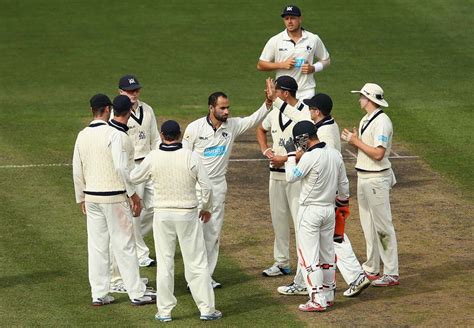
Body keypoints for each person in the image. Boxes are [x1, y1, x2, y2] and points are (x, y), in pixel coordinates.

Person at [266, 81, 371, 297]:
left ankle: (356, 277)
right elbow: (298, 118)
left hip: (322, 192)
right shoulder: (321, 125)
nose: (309, 111)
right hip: (328, 192)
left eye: (311, 108)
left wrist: (286, 158)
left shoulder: (326, 133)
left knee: (334, 239)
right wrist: (276, 101)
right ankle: (303, 281)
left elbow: (319, 159)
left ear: (318, 111)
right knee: (324, 240)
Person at [130, 120, 222, 322]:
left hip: (163, 215)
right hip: (187, 214)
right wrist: (205, 208)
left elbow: (134, 177)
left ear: (162, 135)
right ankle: (206, 309)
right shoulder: (191, 156)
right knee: (196, 263)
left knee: (165, 263)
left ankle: (164, 312)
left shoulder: (153, 157)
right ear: (179, 135)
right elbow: (206, 188)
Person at [72, 93, 156, 306]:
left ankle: (99, 293)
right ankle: (136, 293)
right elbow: (120, 167)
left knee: (97, 246)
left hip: (92, 198)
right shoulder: (115, 134)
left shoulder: (82, 134)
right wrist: (132, 194)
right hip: (114, 197)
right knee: (125, 245)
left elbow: (76, 168)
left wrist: (81, 196)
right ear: (108, 109)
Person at [182, 89, 271, 287]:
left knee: (212, 233)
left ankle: (205, 277)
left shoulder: (232, 126)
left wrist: (268, 101)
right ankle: (193, 277)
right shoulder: (194, 128)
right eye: (222, 108)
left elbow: (253, 118)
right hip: (196, 187)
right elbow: (184, 158)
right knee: (194, 234)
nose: (226, 111)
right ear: (211, 108)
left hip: (218, 186)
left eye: (228, 108)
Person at [285, 120, 350, 311]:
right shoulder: (335, 154)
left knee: (308, 256)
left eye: (299, 141)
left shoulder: (309, 157)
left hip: (310, 211)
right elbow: (344, 184)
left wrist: (290, 155)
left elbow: (291, 177)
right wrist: (343, 205)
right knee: (327, 253)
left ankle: (317, 300)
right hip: (329, 210)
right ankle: (328, 294)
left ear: (304, 138)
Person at [341, 83, 399, 287]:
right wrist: (354, 140)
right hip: (364, 177)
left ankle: (391, 272)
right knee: (368, 225)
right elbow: (367, 152)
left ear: (370, 99)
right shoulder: (366, 119)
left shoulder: (382, 122)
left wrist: (355, 142)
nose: (359, 99)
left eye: (362, 97)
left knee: (383, 226)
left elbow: (378, 153)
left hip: (376, 179)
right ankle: (372, 266)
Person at [256, 76, 310, 292]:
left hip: (296, 175)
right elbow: (261, 129)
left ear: (285, 93)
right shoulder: (275, 111)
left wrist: (286, 159)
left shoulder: (305, 113)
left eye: (276, 91)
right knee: (278, 221)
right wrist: (266, 150)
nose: (272, 94)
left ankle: (303, 269)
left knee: (300, 223)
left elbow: (306, 147)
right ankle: (281, 262)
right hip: (275, 174)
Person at [110, 74, 159, 293]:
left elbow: (155, 137)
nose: (134, 94)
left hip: (148, 164)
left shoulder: (147, 110)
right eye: (130, 91)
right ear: (121, 92)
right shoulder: (115, 113)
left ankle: (139, 249)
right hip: (129, 167)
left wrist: (158, 158)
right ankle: (139, 254)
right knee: (133, 214)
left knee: (156, 208)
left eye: (136, 90)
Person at [257, 5, 330, 100]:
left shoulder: (313, 39)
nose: (289, 22)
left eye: (293, 18)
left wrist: (313, 68)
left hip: (306, 91)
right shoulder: (275, 40)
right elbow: (260, 65)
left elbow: (326, 60)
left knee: (305, 115)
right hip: (283, 92)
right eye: (286, 19)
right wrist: (282, 65)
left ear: (300, 19)